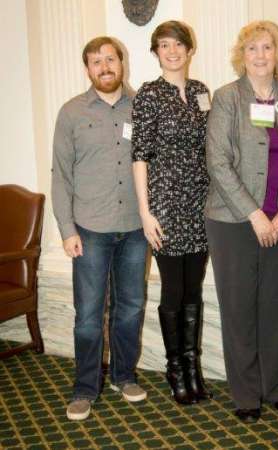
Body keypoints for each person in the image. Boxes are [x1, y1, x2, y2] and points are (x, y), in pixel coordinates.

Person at [205, 21, 278, 423]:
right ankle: (247, 395)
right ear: (242, 55)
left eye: (267, 47)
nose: (261, 55)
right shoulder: (228, 98)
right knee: (239, 309)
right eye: (253, 48)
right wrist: (254, 214)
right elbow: (217, 161)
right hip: (233, 222)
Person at [52, 37, 148, 421]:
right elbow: (61, 176)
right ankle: (84, 388)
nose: (105, 66)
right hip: (89, 229)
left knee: (131, 308)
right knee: (89, 314)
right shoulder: (71, 112)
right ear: (87, 68)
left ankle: (123, 376)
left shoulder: (143, 106)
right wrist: (66, 229)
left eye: (111, 58)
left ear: (121, 63)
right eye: (96, 61)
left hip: (135, 229)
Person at [132, 21, 211, 405]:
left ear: (189, 49)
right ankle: (175, 369)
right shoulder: (148, 95)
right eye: (163, 45)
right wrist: (145, 213)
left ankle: (193, 366)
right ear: (156, 52)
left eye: (178, 44)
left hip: (200, 205)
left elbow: (210, 148)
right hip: (164, 205)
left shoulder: (201, 92)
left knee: (194, 290)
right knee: (173, 290)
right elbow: (139, 156)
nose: (172, 51)